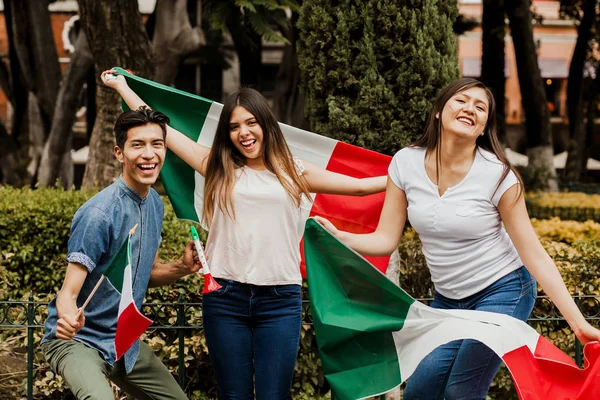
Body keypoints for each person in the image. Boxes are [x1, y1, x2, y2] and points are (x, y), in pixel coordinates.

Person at [101, 69, 387, 400]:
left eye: (251, 122)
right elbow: (164, 130)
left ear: (266, 124)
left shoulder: (293, 170)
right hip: (225, 299)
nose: (244, 132)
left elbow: (363, 186)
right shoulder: (218, 167)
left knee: (273, 395)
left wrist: (417, 171)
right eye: (235, 126)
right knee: (233, 394)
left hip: (280, 301)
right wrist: (123, 87)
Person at [315, 78, 600, 400]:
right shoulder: (405, 163)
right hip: (448, 299)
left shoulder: (499, 175)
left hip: (504, 290)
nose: (469, 109)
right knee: (421, 393)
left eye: (480, 107)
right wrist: (341, 237)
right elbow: (384, 239)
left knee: (461, 392)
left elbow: (534, 255)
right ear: (439, 111)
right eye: (461, 101)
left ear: (484, 128)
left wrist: (578, 324)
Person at [41, 106, 201, 400]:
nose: (149, 154)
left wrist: (181, 267)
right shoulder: (99, 213)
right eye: (137, 144)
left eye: (157, 144)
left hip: (123, 341)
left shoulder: (153, 203)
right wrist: (67, 318)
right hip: (80, 340)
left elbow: (146, 273)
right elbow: (68, 293)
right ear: (119, 153)